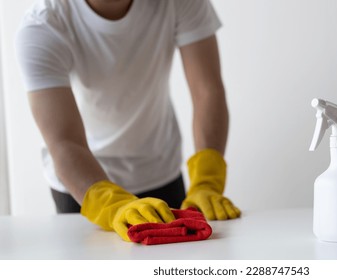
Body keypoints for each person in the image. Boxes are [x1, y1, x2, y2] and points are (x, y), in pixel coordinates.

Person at [15, 0, 240, 242]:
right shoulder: (43, 25)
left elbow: (207, 91)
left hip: (160, 171)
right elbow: (64, 142)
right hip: (84, 185)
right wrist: (112, 205)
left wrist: (207, 181)